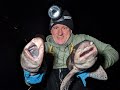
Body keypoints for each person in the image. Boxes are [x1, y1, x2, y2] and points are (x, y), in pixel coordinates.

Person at [20, 9, 119, 90]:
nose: (60, 33)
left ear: (71, 29)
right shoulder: (43, 47)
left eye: (64, 28)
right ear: (51, 30)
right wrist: (32, 70)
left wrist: (93, 68)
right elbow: (29, 82)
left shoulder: (83, 40)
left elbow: (112, 52)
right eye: (56, 28)